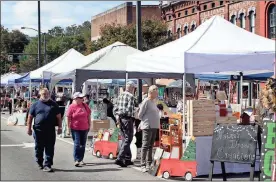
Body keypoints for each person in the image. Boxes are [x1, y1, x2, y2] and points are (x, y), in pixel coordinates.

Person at [27, 88, 62, 172]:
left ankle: (48, 164)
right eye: (44, 94)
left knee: (50, 148)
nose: (46, 95)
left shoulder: (54, 104)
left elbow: (59, 117)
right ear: (40, 94)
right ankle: (39, 161)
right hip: (38, 130)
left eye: (47, 94)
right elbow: (30, 117)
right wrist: (28, 128)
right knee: (39, 148)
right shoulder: (35, 105)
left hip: (50, 130)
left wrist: (60, 128)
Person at [138, 85, 160, 172]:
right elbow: (140, 115)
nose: (157, 94)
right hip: (148, 126)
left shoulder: (153, 101)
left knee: (150, 145)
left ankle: (149, 162)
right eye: (156, 92)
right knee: (145, 145)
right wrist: (144, 121)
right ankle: (143, 164)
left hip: (154, 126)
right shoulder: (146, 101)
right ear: (151, 92)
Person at [113, 81, 135, 167]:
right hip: (127, 118)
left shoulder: (120, 95)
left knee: (124, 138)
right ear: (132, 88)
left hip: (120, 119)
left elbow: (115, 108)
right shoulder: (131, 96)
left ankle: (127, 159)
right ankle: (120, 158)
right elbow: (128, 109)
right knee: (128, 139)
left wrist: (117, 116)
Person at [66, 92, 91, 167]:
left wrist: (89, 124)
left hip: (85, 128)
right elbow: (68, 117)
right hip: (75, 128)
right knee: (77, 144)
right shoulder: (71, 107)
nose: (82, 99)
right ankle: (76, 159)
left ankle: (81, 159)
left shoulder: (85, 105)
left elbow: (88, 115)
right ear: (75, 99)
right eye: (80, 98)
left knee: (82, 144)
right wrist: (68, 128)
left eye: (82, 97)